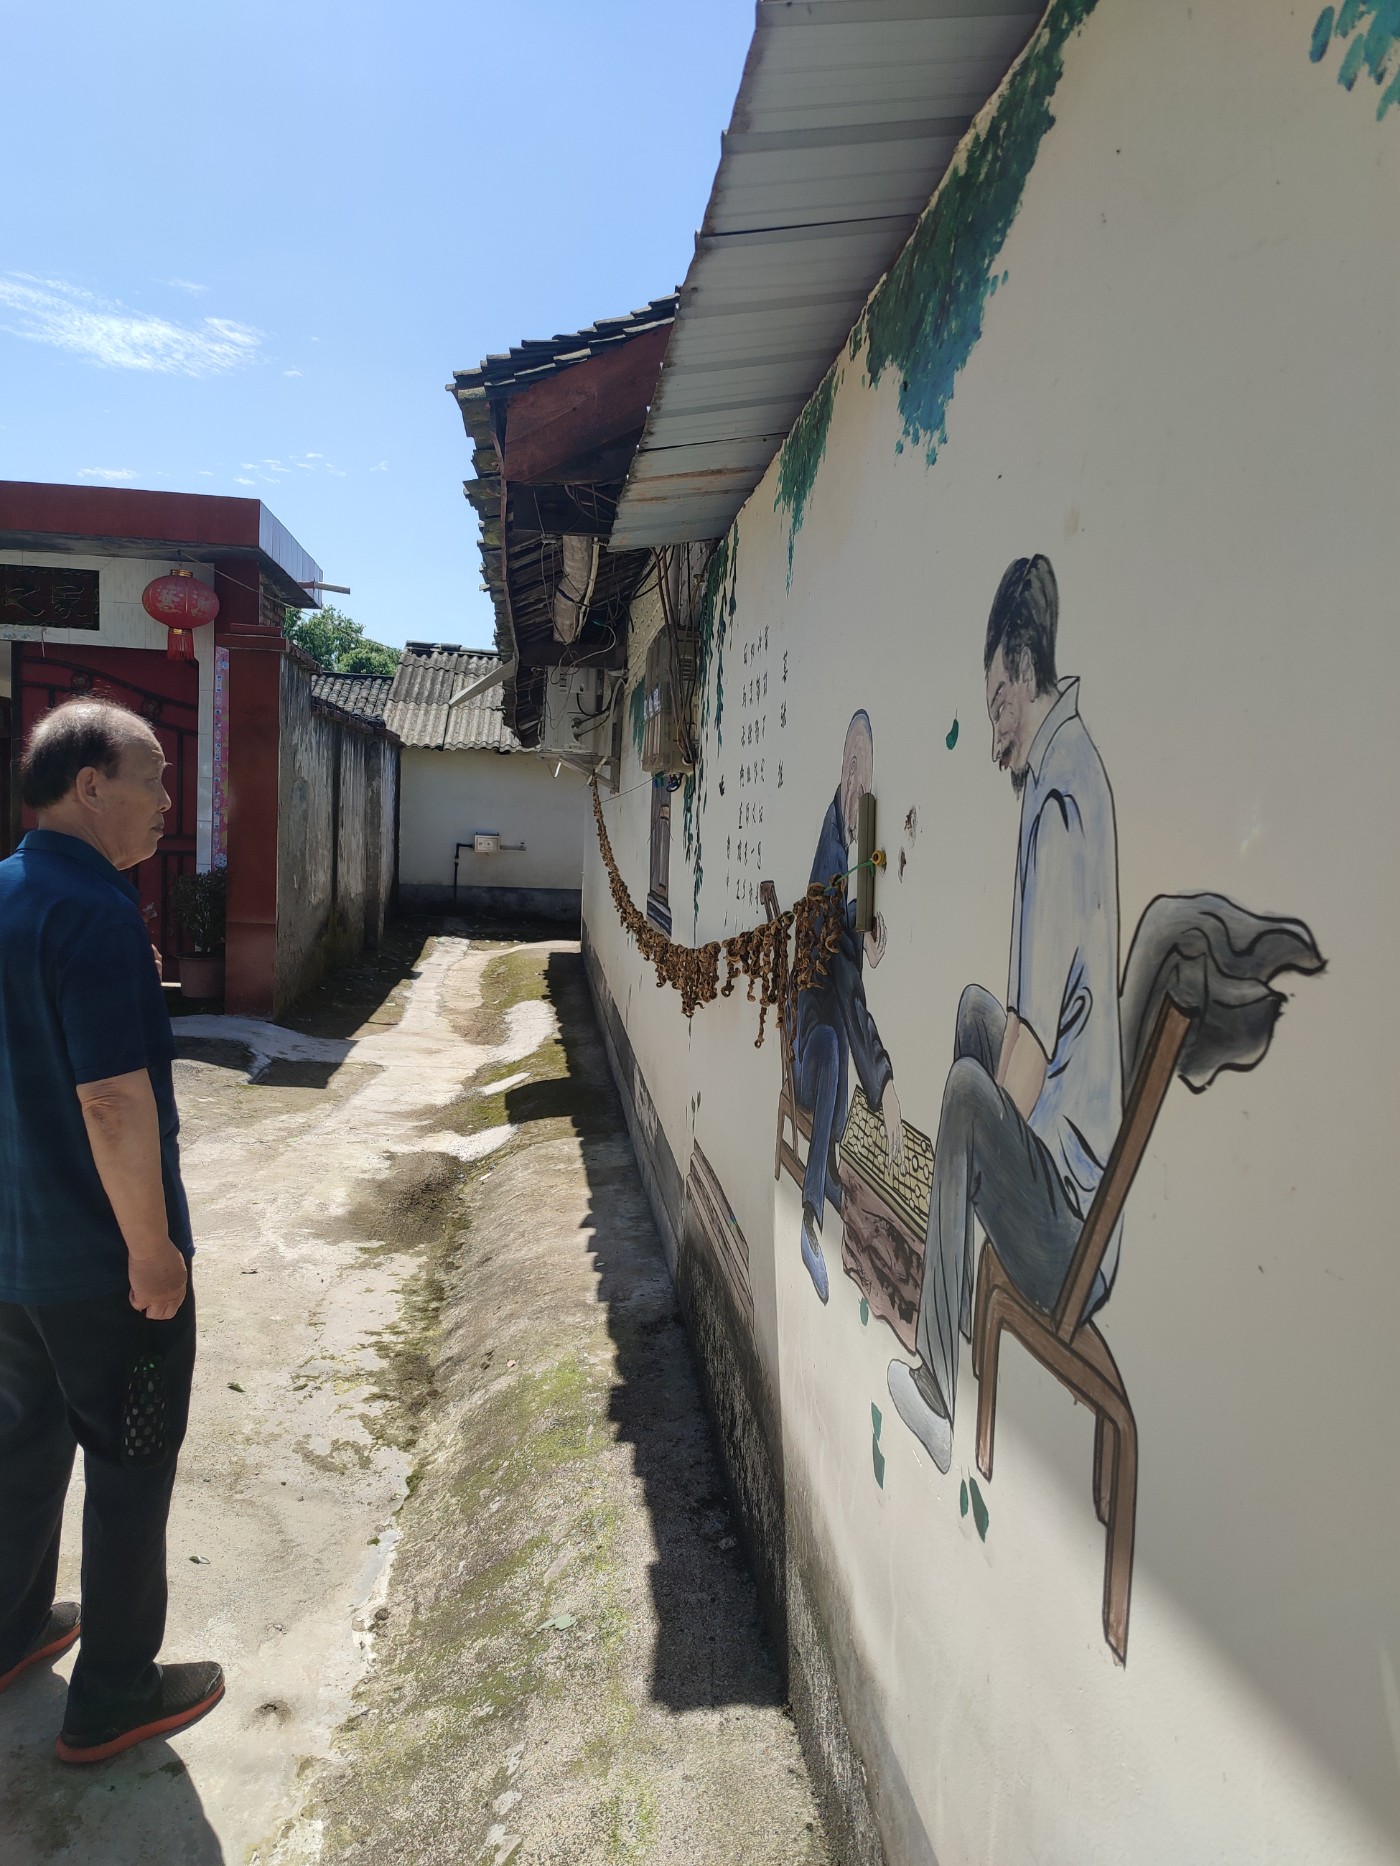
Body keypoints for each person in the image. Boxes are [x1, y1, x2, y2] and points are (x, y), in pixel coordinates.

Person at [0, 697, 223, 1762]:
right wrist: (152, 1249)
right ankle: (113, 1693)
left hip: (12, 1263)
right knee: (131, 1464)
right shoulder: (95, 913)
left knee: (20, 1440)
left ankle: (9, 1631)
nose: (169, 803)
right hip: (100, 1268)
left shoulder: (5, 892)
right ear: (90, 787)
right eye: (155, 780)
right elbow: (113, 1102)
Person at [887, 557, 1123, 1472]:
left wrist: (977, 1144)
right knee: (975, 1015)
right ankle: (957, 1264)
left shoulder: (1059, 798)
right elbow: (1018, 1024)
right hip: (1063, 1171)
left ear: (1025, 677)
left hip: (1073, 1238)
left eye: (997, 707)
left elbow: (1030, 1046)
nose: (994, 738)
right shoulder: (1063, 765)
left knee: (965, 1092)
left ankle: (939, 1385)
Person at [791, 709, 903, 1302]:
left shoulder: (843, 838)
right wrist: (883, 1085)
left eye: (868, 771)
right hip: (809, 1058)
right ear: (845, 770)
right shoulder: (833, 856)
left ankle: (828, 1175)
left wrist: (862, 935)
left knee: (836, 1039)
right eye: (855, 766)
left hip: (824, 1045)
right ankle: (811, 1215)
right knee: (834, 1042)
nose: (861, 782)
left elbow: (842, 943)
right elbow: (844, 981)